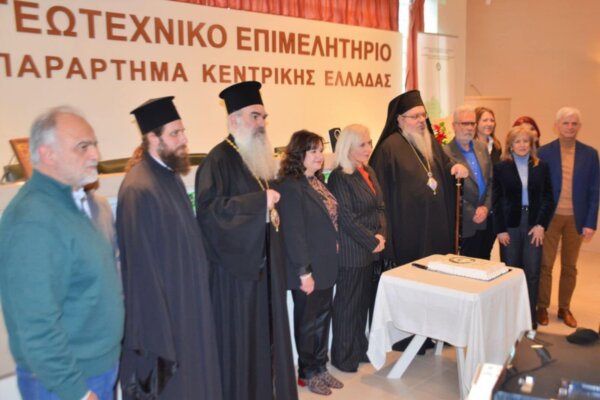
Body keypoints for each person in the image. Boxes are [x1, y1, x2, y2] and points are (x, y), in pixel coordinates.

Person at [0, 106, 124, 400]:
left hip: (97, 370)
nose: (95, 154)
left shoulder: (75, 204)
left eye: (94, 144)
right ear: (48, 154)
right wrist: (77, 391)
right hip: (65, 383)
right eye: (83, 146)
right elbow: (36, 325)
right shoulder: (32, 220)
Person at [195, 81, 298, 400]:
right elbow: (209, 212)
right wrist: (257, 204)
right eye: (255, 116)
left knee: (266, 342)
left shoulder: (256, 158)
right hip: (237, 279)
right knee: (244, 348)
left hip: (265, 271)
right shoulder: (217, 160)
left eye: (264, 117)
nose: (262, 123)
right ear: (234, 120)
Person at [116, 97, 222, 399]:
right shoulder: (137, 189)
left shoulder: (169, 177)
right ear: (153, 137)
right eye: (175, 133)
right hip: (168, 322)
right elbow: (141, 275)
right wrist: (160, 339)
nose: (184, 139)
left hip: (190, 307)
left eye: (182, 131)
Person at [370, 90, 468, 267]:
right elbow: (380, 194)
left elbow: (445, 165)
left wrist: (455, 167)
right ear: (399, 120)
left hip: (436, 221)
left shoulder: (430, 141)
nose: (422, 120)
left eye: (423, 115)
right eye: (415, 116)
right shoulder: (388, 149)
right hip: (408, 227)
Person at [276, 130, 342, 396]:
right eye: (312, 151)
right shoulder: (290, 186)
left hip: (325, 264)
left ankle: (320, 366)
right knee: (308, 322)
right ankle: (307, 373)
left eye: (320, 150)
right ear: (298, 154)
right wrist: (304, 272)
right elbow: (294, 233)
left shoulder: (316, 181)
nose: (319, 156)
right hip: (307, 268)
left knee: (322, 319)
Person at [328, 124, 387, 371]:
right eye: (362, 144)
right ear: (348, 147)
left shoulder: (368, 170)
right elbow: (346, 218)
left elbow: (380, 206)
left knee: (362, 305)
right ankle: (343, 357)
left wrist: (381, 235)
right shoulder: (339, 176)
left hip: (371, 249)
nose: (368, 148)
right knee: (347, 307)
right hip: (352, 252)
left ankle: (359, 348)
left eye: (369, 143)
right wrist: (373, 241)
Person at [536, 107, 599, 328]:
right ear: (557, 126)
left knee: (570, 266)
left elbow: (594, 191)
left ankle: (564, 307)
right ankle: (542, 306)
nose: (570, 127)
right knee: (545, 264)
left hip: (576, 219)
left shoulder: (590, 154)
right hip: (550, 218)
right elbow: (538, 189)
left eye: (574, 123)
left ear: (579, 126)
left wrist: (590, 222)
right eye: (566, 123)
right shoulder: (544, 152)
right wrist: (538, 220)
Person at [493, 125, 554, 329]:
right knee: (511, 271)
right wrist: (500, 229)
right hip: (510, 225)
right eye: (517, 141)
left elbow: (548, 198)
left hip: (533, 224)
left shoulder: (541, 167)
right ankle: (511, 317)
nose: (522, 145)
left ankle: (529, 317)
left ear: (532, 144)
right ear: (510, 145)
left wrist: (541, 225)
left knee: (533, 272)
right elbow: (496, 200)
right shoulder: (501, 167)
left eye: (525, 141)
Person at [444, 106, 493, 259]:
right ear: (454, 126)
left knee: (485, 264)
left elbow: (491, 181)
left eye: (472, 123)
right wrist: (473, 212)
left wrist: (486, 207)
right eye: (465, 123)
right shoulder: (445, 153)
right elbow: (449, 190)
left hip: (486, 221)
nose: (470, 128)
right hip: (464, 223)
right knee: (466, 266)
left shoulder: (482, 148)